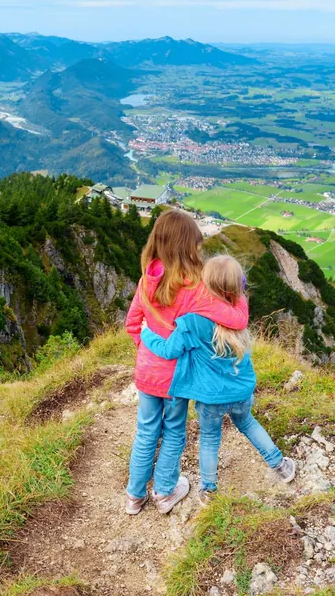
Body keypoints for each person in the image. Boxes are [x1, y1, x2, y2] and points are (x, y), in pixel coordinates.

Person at [140, 255, 296, 504]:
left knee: (210, 439)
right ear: (238, 286)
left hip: (210, 396)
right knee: (248, 424)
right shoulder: (240, 309)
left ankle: (209, 490)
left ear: (204, 284)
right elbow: (239, 292)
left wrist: (146, 333)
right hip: (241, 389)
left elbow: (169, 351)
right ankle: (281, 466)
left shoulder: (191, 321)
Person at [124, 210, 250, 515]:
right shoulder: (195, 289)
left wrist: (147, 350)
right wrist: (240, 292)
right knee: (174, 432)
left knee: (145, 432)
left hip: (145, 373)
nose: (198, 250)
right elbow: (237, 319)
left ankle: (134, 496)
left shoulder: (146, 279)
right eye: (195, 245)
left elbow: (132, 324)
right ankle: (165, 492)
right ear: (186, 247)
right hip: (175, 377)